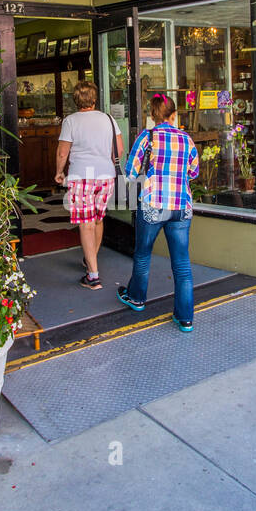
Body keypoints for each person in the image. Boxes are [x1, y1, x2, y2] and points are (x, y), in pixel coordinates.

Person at [117, 93, 200, 333]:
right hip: (181, 206)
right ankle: (185, 318)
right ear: (173, 115)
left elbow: (131, 173)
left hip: (153, 204)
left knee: (143, 255)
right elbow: (194, 172)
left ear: (152, 116)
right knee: (182, 263)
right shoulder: (186, 139)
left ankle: (137, 298)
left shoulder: (147, 137)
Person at [55, 80, 123, 289]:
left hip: (81, 176)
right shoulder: (109, 119)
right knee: (98, 219)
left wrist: (59, 172)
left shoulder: (70, 121)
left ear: (76, 100)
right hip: (105, 176)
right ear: (94, 99)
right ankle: (91, 257)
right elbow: (118, 151)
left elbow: (62, 152)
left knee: (86, 222)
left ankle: (93, 275)